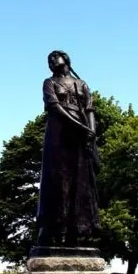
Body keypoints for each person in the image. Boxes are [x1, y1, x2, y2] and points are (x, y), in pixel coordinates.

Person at [36, 50, 100, 248]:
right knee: (57, 179)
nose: (52, 61)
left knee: (81, 180)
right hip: (59, 132)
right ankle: (54, 230)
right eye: (49, 59)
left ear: (66, 60)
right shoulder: (49, 83)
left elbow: (89, 109)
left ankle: (79, 230)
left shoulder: (82, 84)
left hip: (80, 136)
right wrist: (80, 127)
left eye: (55, 57)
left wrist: (91, 131)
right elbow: (54, 107)